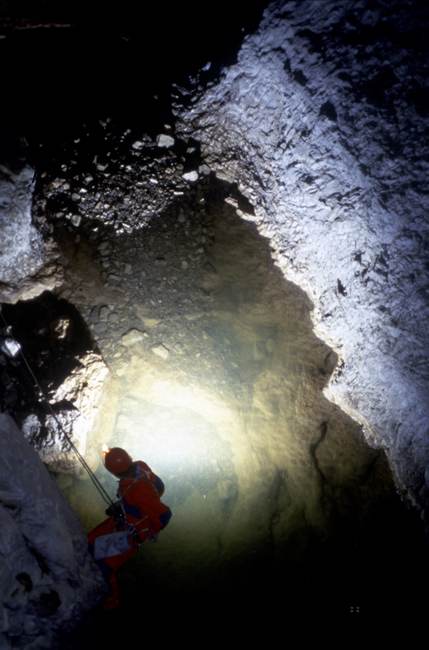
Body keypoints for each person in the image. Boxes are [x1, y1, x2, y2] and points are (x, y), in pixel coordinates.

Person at [88, 447, 172, 609]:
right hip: (125, 519)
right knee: (91, 540)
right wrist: (124, 506)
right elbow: (159, 486)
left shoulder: (138, 489)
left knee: (103, 564)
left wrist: (143, 533)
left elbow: (164, 515)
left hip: (131, 534)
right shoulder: (140, 467)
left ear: (115, 473)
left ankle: (112, 601)